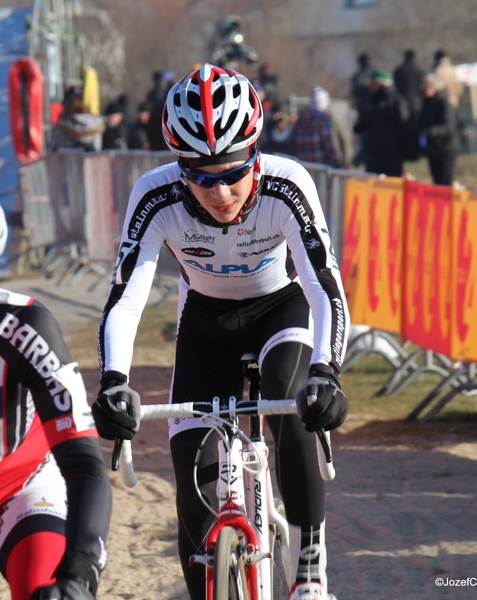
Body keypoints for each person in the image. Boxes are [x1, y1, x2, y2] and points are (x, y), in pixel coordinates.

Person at [92, 63, 350, 600]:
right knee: (193, 487)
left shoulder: (287, 184)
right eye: (202, 176)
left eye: (233, 172)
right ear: (179, 167)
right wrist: (113, 380)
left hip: (281, 311)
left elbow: (324, 287)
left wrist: (327, 373)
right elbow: (125, 297)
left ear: (255, 156)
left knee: (291, 397)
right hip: (206, 325)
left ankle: (308, 565)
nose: (220, 190)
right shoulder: (155, 196)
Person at [0, 206, 112, 600]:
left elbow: (84, 466)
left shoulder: (23, 326)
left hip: (21, 485)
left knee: (45, 591)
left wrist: (80, 573)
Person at [353, 68, 410, 177]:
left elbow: (404, 125)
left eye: (373, 82)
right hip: (375, 152)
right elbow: (371, 121)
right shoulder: (373, 100)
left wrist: (406, 149)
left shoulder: (395, 100)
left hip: (392, 153)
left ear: (381, 83)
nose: (370, 86)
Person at [418, 72, 460, 186]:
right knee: (437, 183)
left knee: (445, 182)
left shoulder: (443, 102)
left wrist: (430, 132)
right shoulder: (426, 103)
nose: (424, 88)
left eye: (428, 86)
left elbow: (448, 126)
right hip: (433, 150)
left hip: (446, 149)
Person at [293, 86, 342, 167]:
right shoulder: (324, 118)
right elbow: (329, 144)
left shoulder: (301, 117)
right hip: (322, 167)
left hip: (304, 167)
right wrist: (337, 163)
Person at [49, 87, 107, 152]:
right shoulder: (96, 123)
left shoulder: (61, 125)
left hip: (67, 160)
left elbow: (53, 144)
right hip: (91, 160)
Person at [393, 49, 426, 160]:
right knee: (417, 130)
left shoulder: (399, 71)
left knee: (405, 131)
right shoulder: (419, 70)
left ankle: (408, 153)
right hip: (417, 104)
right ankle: (419, 153)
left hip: (402, 105)